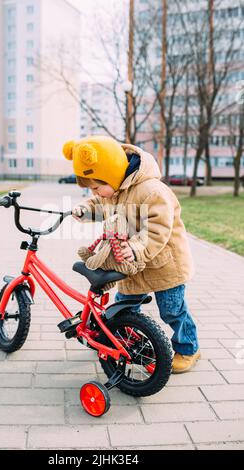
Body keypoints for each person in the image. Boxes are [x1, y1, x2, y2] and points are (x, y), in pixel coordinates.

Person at [63, 135, 200, 374]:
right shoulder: (112, 190)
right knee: (123, 308)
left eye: (97, 186)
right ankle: (122, 341)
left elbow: (159, 229)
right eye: (91, 189)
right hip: (131, 265)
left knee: (172, 310)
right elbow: (100, 203)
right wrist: (85, 209)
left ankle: (188, 349)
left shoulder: (151, 190)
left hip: (164, 264)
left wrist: (136, 247)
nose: (96, 192)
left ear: (112, 173)